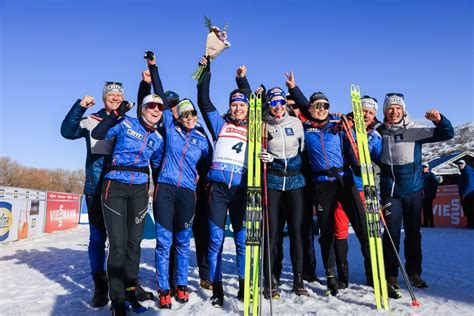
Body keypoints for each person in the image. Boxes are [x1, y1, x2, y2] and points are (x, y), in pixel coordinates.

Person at [286, 72, 372, 296]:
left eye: (325, 105)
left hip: (345, 181)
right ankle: (332, 275)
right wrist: (295, 90)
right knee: (327, 233)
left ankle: (375, 273)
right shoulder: (305, 127)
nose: (321, 108)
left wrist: (359, 169)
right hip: (322, 185)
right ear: (311, 108)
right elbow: (304, 106)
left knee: (363, 228)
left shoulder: (338, 124)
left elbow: (350, 151)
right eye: (317, 105)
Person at [138, 68, 213, 292]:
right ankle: (163, 287)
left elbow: (210, 166)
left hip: (188, 192)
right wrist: (154, 67)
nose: (189, 117)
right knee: (164, 243)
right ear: (177, 115)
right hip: (166, 189)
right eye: (185, 114)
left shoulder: (202, 139)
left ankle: (181, 284)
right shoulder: (170, 128)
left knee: (182, 243)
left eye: (193, 114)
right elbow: (158, 93)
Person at [91, 92, 164, 315]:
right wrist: (115, 115)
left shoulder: (158, 138)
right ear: (142, 108)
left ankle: (131, 291)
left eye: (160, 107)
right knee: (118, 244)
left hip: (140, 191)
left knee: (134, 244)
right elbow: (98, 133)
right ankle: (117, 299)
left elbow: (159, 165)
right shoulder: (125, 123)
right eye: (151, 105)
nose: (156, 110)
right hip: (115, 187)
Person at [377, 93, 454, 293]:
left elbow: (447, 134)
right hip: (390, 191)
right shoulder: (380, 131)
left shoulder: (415, 130)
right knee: (391, 234)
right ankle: (391, 274)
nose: (393, 112)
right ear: (385, 112)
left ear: (403, 110)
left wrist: (439, 120)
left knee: (413, 233)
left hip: (412, 189)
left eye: (397, 108)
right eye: (390, 109)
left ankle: (414, 272)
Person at [60, 82, 122, 307]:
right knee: (97, 239)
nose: (115, 98)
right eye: (111, 95)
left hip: (119, 189)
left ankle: (121, 281)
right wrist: (80, 106)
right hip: (96, 188)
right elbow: (67, 131)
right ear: (104, 98)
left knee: (119, 241)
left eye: (118, 95)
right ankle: (100, 285)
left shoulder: (125, 121)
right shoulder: (90, 120)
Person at [197, 57, 250, 307]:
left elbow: (256, 103)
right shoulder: (220, 124)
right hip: (217, 189)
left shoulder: (255, 126)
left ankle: (243, 285)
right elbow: (203, 101)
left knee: (241, 240)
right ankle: (217, 288)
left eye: (242, 105)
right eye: (234, 105)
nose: (238, 108)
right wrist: (207, 68)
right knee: (215, 239)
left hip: (240, 190)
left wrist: (242, 82)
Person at [257, 87, 308, 298]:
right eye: (273, 103)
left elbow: (302, 150)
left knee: (297, 231)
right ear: (268, 105)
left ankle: (298, 279)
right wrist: (264, 156)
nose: (277, 107)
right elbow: (255, 149)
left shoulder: (295, 123)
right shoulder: (262, 124)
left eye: (281, 102)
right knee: (272, 232)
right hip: (274, 181)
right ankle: (271, 278)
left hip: (295, 181)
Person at [332, 95, 383, 290]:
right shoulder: (342, 128)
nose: (367, 115)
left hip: (365, 189)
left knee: (368, 233)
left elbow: (382, 160)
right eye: (363, 111)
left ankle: (373, 274)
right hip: (342, 187)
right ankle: (342, 276)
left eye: (370, 112)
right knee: (340, 231)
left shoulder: (375, 136)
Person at [455, 160, 474, 229]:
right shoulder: (463, 172)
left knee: (469, 210)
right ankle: (470, 224)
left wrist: (465, 194)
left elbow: (470, 184)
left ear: (465, 164)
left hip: (468, 194)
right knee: (467, 210)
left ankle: (471, 225)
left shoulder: (467, 172)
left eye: (461, 164)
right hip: (466, 194)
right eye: (459, 164)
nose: (460, 165)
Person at [422, 163, 441, 228]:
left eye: (425, 167)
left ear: (428, 168)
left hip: (429, 195)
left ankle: (431, 224)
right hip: (423, 195)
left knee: (429, 209)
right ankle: (425, 223)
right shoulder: (421, 175)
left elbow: (435, 186)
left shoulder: (431, 175)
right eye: (423, 167)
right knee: (424, 209)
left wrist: (432, 194)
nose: (423, 168)